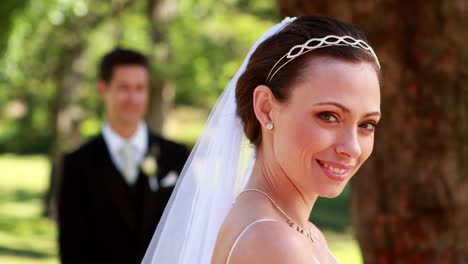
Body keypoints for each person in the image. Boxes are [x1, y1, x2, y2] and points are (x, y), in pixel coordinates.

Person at [143, 15, 381, 264]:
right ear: (266, 108)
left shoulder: (301, 232)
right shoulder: (273, 241)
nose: (352, 147)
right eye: (329, 116)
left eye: (367, 124)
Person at [58, 48, 189, 264]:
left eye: (140, 88)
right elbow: (72, 249)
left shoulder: (176, 156)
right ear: (103, 89)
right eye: (124, 88)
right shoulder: (77, 164)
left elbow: (187, 231)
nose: (134, 98)